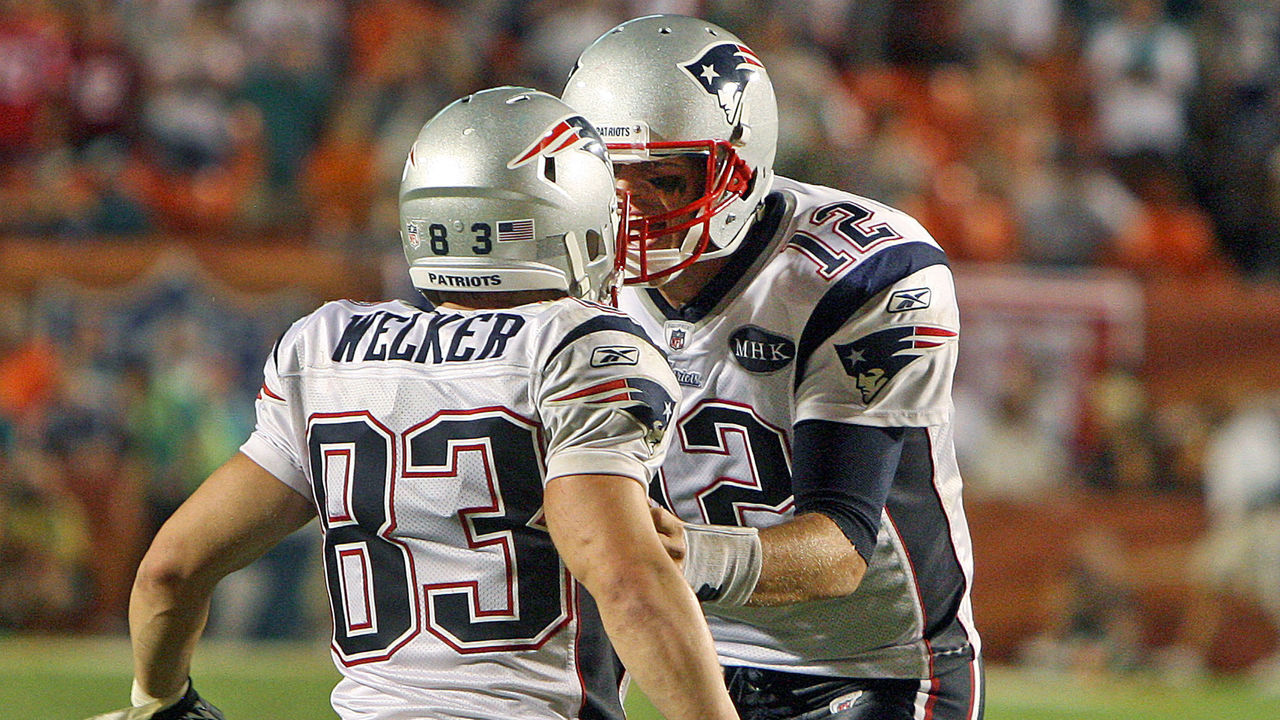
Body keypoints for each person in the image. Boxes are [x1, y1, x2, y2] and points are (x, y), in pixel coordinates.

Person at [123, 87, 738, 720]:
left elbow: (170, 570)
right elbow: (628, 582)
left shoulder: (326, 346)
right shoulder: (578, 346)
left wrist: (162, 700)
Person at [562, 15, 983, 720]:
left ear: (739, 165)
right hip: (693, 649)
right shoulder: (570, 270)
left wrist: (678, 557)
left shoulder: (861, 276)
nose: (629, 211)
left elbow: (843, 548)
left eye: (662, 179)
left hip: (874, 666)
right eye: (609, 178)